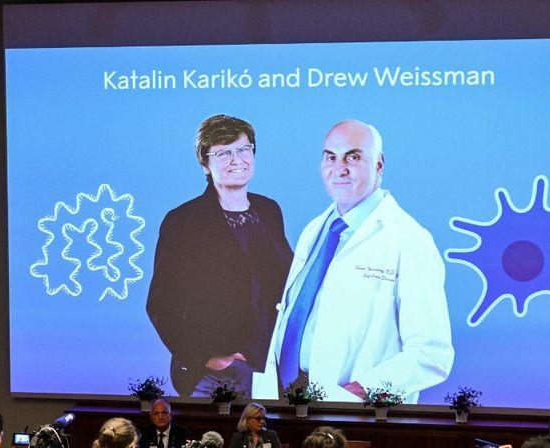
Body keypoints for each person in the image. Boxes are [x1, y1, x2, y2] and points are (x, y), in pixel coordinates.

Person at [253, 119, 453, 403]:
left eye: (353, 157)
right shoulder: (316, 230)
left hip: (352, 410)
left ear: (379, 164)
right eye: (330, 157)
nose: (339, 168)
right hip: (286, 401)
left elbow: (431, 354)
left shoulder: (409, 239)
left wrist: (358, 392)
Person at [147, 114, 293, 397]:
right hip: (214, 376)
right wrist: (205, 357)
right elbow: (160, 303)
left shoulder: (269, 211)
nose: (237, 160)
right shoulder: (183, 221)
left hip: (266, 368)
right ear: (205, 163)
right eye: (224, 153)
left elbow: (284, 281)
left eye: (243, 149)